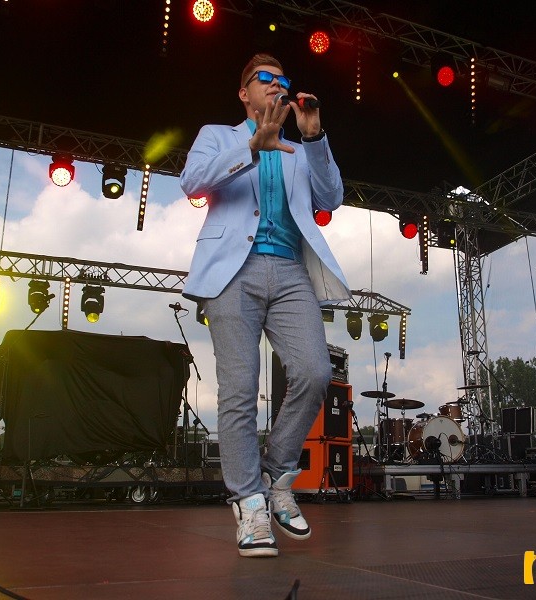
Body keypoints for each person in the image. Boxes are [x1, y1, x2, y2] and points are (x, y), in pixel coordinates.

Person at [179, 53, 350, 557]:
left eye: (283, 80)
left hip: (291, 270)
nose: (278, 85)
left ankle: (276, 476)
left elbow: (332, 198)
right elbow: (192, 181)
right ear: (244, 92)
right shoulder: (218, 136)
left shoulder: (299, 150)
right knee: (239, 389)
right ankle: (249, 502)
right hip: (233, 270)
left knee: (315, 371)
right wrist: (252, 147)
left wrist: (314, 138)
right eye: (266, 79)